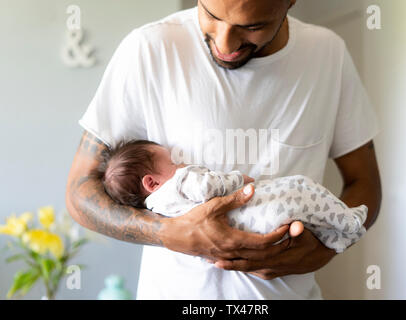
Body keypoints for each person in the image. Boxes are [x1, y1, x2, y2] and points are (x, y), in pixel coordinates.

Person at [66, 0, 382, 299]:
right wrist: (170, 233)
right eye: (212, 15)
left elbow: (364, 182)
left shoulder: (327, 54)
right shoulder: (149, 49)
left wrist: (324, 251)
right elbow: (79, 193)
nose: (225, 44)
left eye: (252, 26)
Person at [99, 139, 368, 254]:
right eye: (170, 161)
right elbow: (207, 187)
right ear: (151, 181)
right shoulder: (179, 182)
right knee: (301, 189)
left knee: (304, 213)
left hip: (242, 231)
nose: (178, 165)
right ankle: (349, 223)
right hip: (255, 212)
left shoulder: (157, 209)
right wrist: (238, 179)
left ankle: (334, 235)